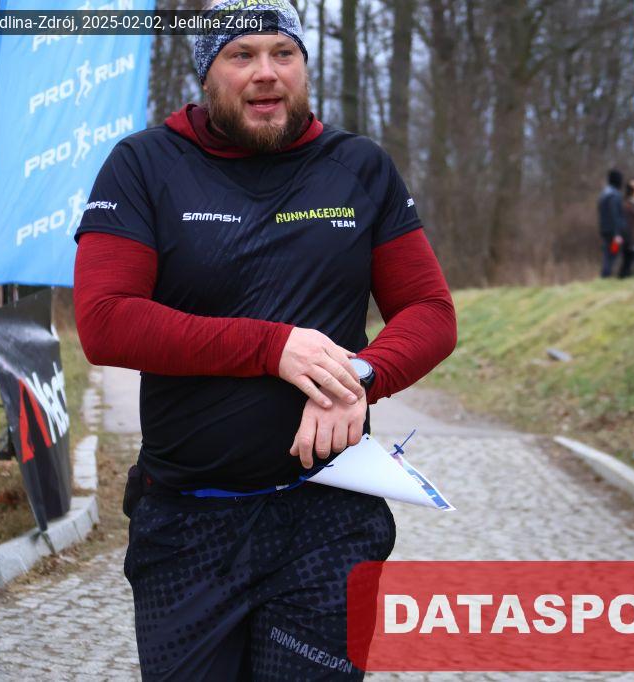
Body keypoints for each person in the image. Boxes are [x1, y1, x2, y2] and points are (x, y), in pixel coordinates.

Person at [71, 1, 457, 678]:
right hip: (189, 523)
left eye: (283, 53)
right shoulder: (144, 164)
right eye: (241, 55)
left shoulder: (358, 166)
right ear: (206, 74)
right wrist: (273, 348)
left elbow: (430, 311)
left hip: (330, 522)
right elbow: (105, 319)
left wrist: (359, 379)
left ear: (303, 65)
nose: (266, 72)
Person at [598, 169, 626, 278]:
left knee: (609, 253)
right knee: (612, 253)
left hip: (605, 230)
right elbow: (615, 216)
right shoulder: (614, 196)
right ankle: (606, 274)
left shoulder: (603, 194)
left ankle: (606, 274)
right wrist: (617, 233)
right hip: (613, 232)